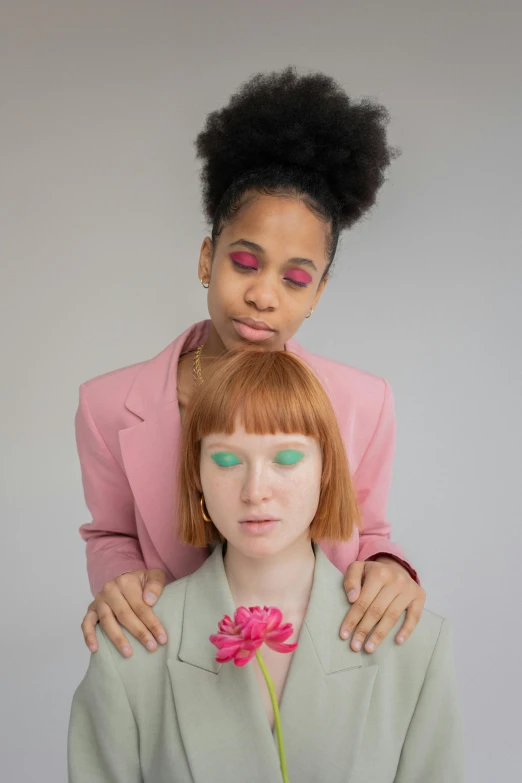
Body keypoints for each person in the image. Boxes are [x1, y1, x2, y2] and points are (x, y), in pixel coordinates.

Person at [77, 66, 426, 662]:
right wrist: (121, 581)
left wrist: (389, 570)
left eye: (295, 278)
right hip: (174, 664)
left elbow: (367, 532)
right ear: (207, 259)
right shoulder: (108, 405)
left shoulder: (363, 404)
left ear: (317, 293)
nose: (265, 295)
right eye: (244, 262)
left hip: (313, 664)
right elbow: (111, 532)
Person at [68, 350, 464, 783]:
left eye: (287, 459)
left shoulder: (415, 646)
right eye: (225, 459)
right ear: (195, 476)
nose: (255, 491)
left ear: (327, 470)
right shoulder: (128, 650)